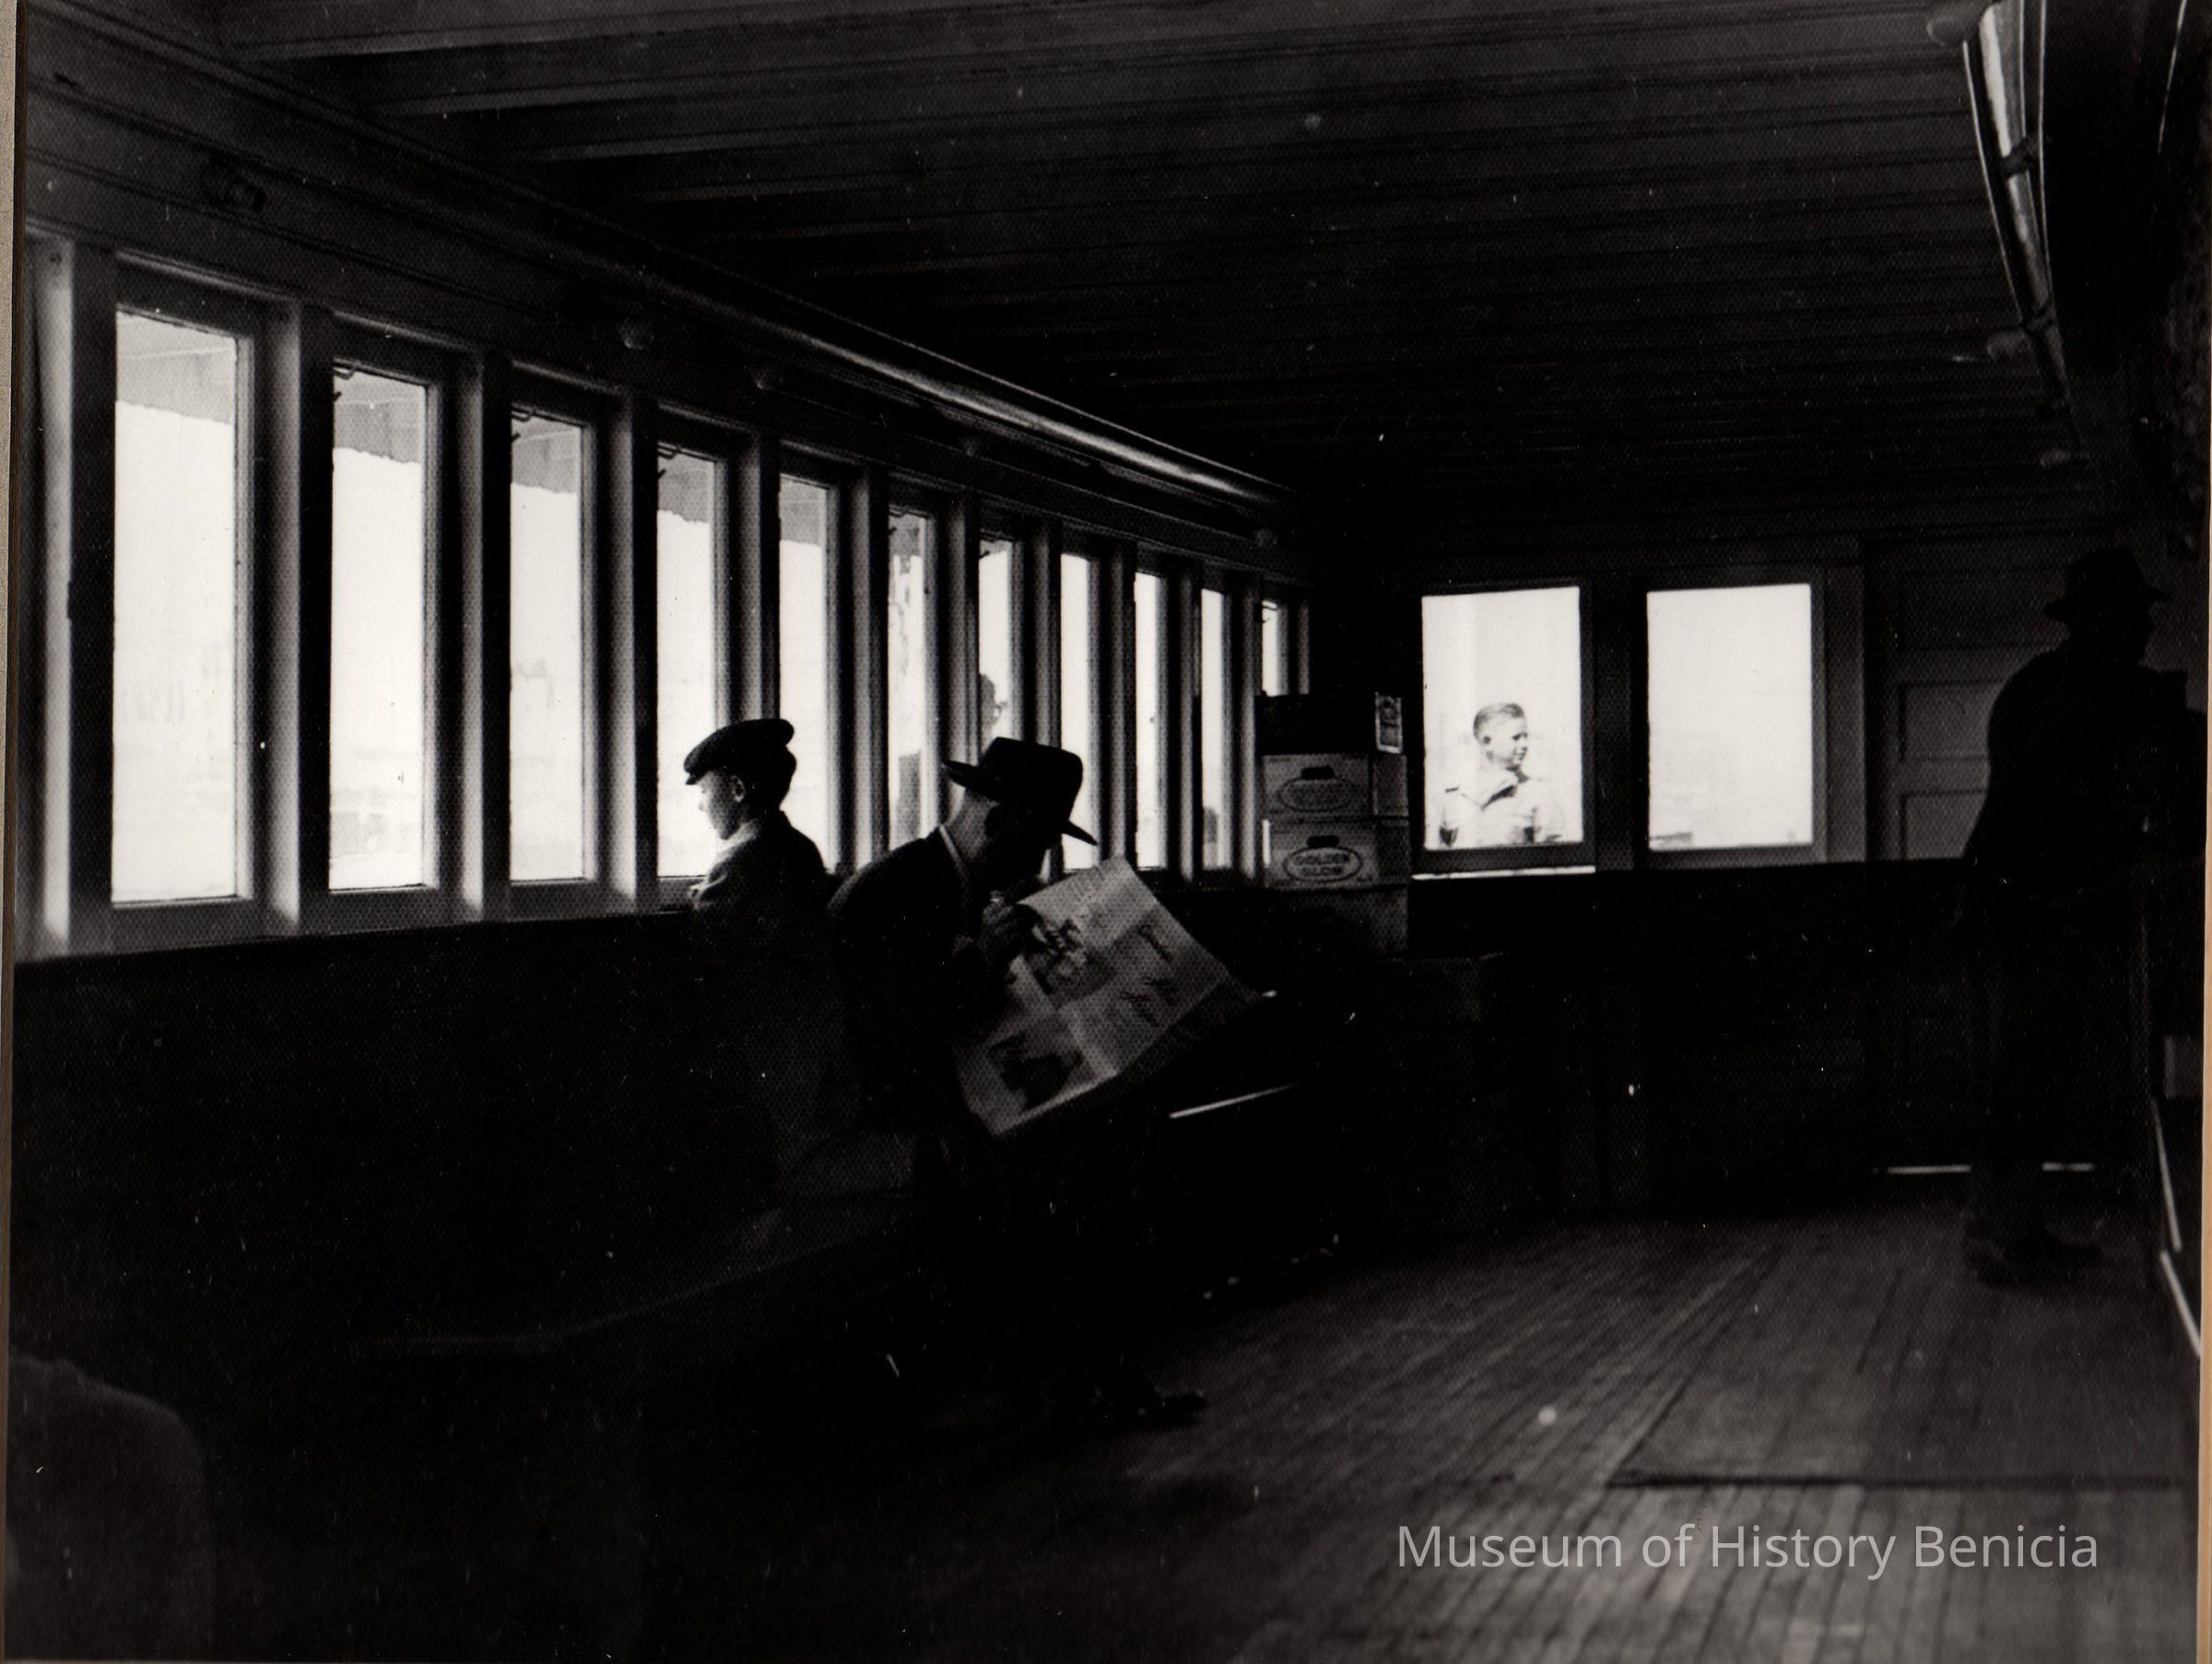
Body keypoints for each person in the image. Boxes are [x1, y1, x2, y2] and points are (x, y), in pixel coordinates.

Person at [828, 738, 1206, 1430]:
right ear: (998, 822)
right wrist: (984, 960)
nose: (1039, 862)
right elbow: (884, 1035)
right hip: (905, 1108)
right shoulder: (889, 893)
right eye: (1034, 844)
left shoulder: (963, 888)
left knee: (1111, 1137)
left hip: (968, 1092)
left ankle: (1088, 1377)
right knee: (1066, 1175)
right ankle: (1072, 1383)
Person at [1958, 549, 2195, 1285]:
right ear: (2096, 621)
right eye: (2134, 615)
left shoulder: (2097, 690)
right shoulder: (2053, 696)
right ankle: (1997, 1230)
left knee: (2037, 1067)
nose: (2146, 628)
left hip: (2050, 901)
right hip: (2019, 903)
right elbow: (2052, 811)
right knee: (2019, 1068)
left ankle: (2014, 1227)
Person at [680, 719, 856, 1198]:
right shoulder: (799, 849)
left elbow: (702, 948)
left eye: (706, 791)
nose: (701, 805)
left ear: (737, 790)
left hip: (767, 1057)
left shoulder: (739, 863)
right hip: (813, 1048)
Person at [1437, 702, 1567, 846]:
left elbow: (1555, 854)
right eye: (1516, 738)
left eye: (1525, 737)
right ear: (1486, 742)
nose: (1525, 744)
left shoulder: (1537, 794)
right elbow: (1440, 853)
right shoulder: (1456, 797)